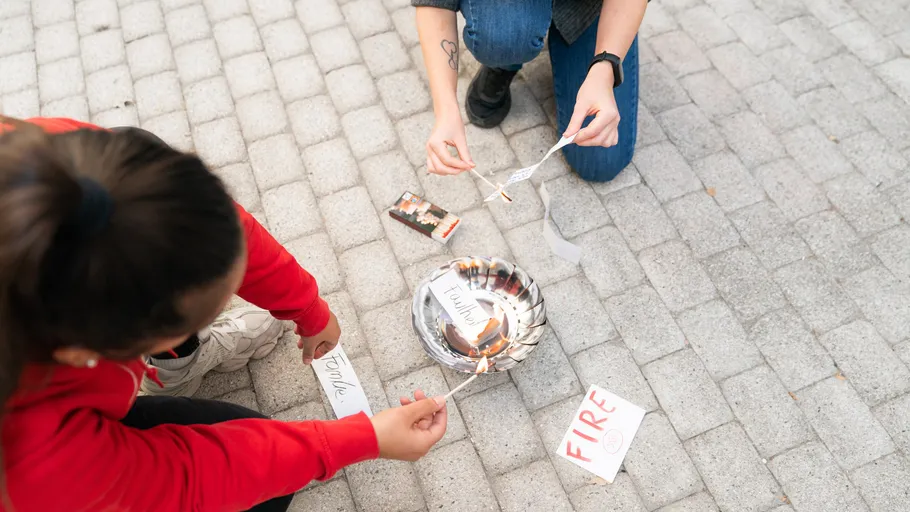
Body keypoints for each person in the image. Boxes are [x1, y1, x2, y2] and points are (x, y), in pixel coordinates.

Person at [0, 116, 448, 512]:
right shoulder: (39, 465)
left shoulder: (57, 165)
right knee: (267, 496)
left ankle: (174, 365)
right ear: (84, 351)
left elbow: (207, 228)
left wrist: (306, 308)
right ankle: (175, 367)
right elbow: (189, 480)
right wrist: (362, 440)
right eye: (193, 319)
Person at [413, 0, 648, 183]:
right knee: (504, 35)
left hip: (587, 8)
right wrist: (445, 109)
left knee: (600, 162)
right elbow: (435, 3)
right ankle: (507, 55)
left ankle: (549, 34)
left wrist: (604, 68)